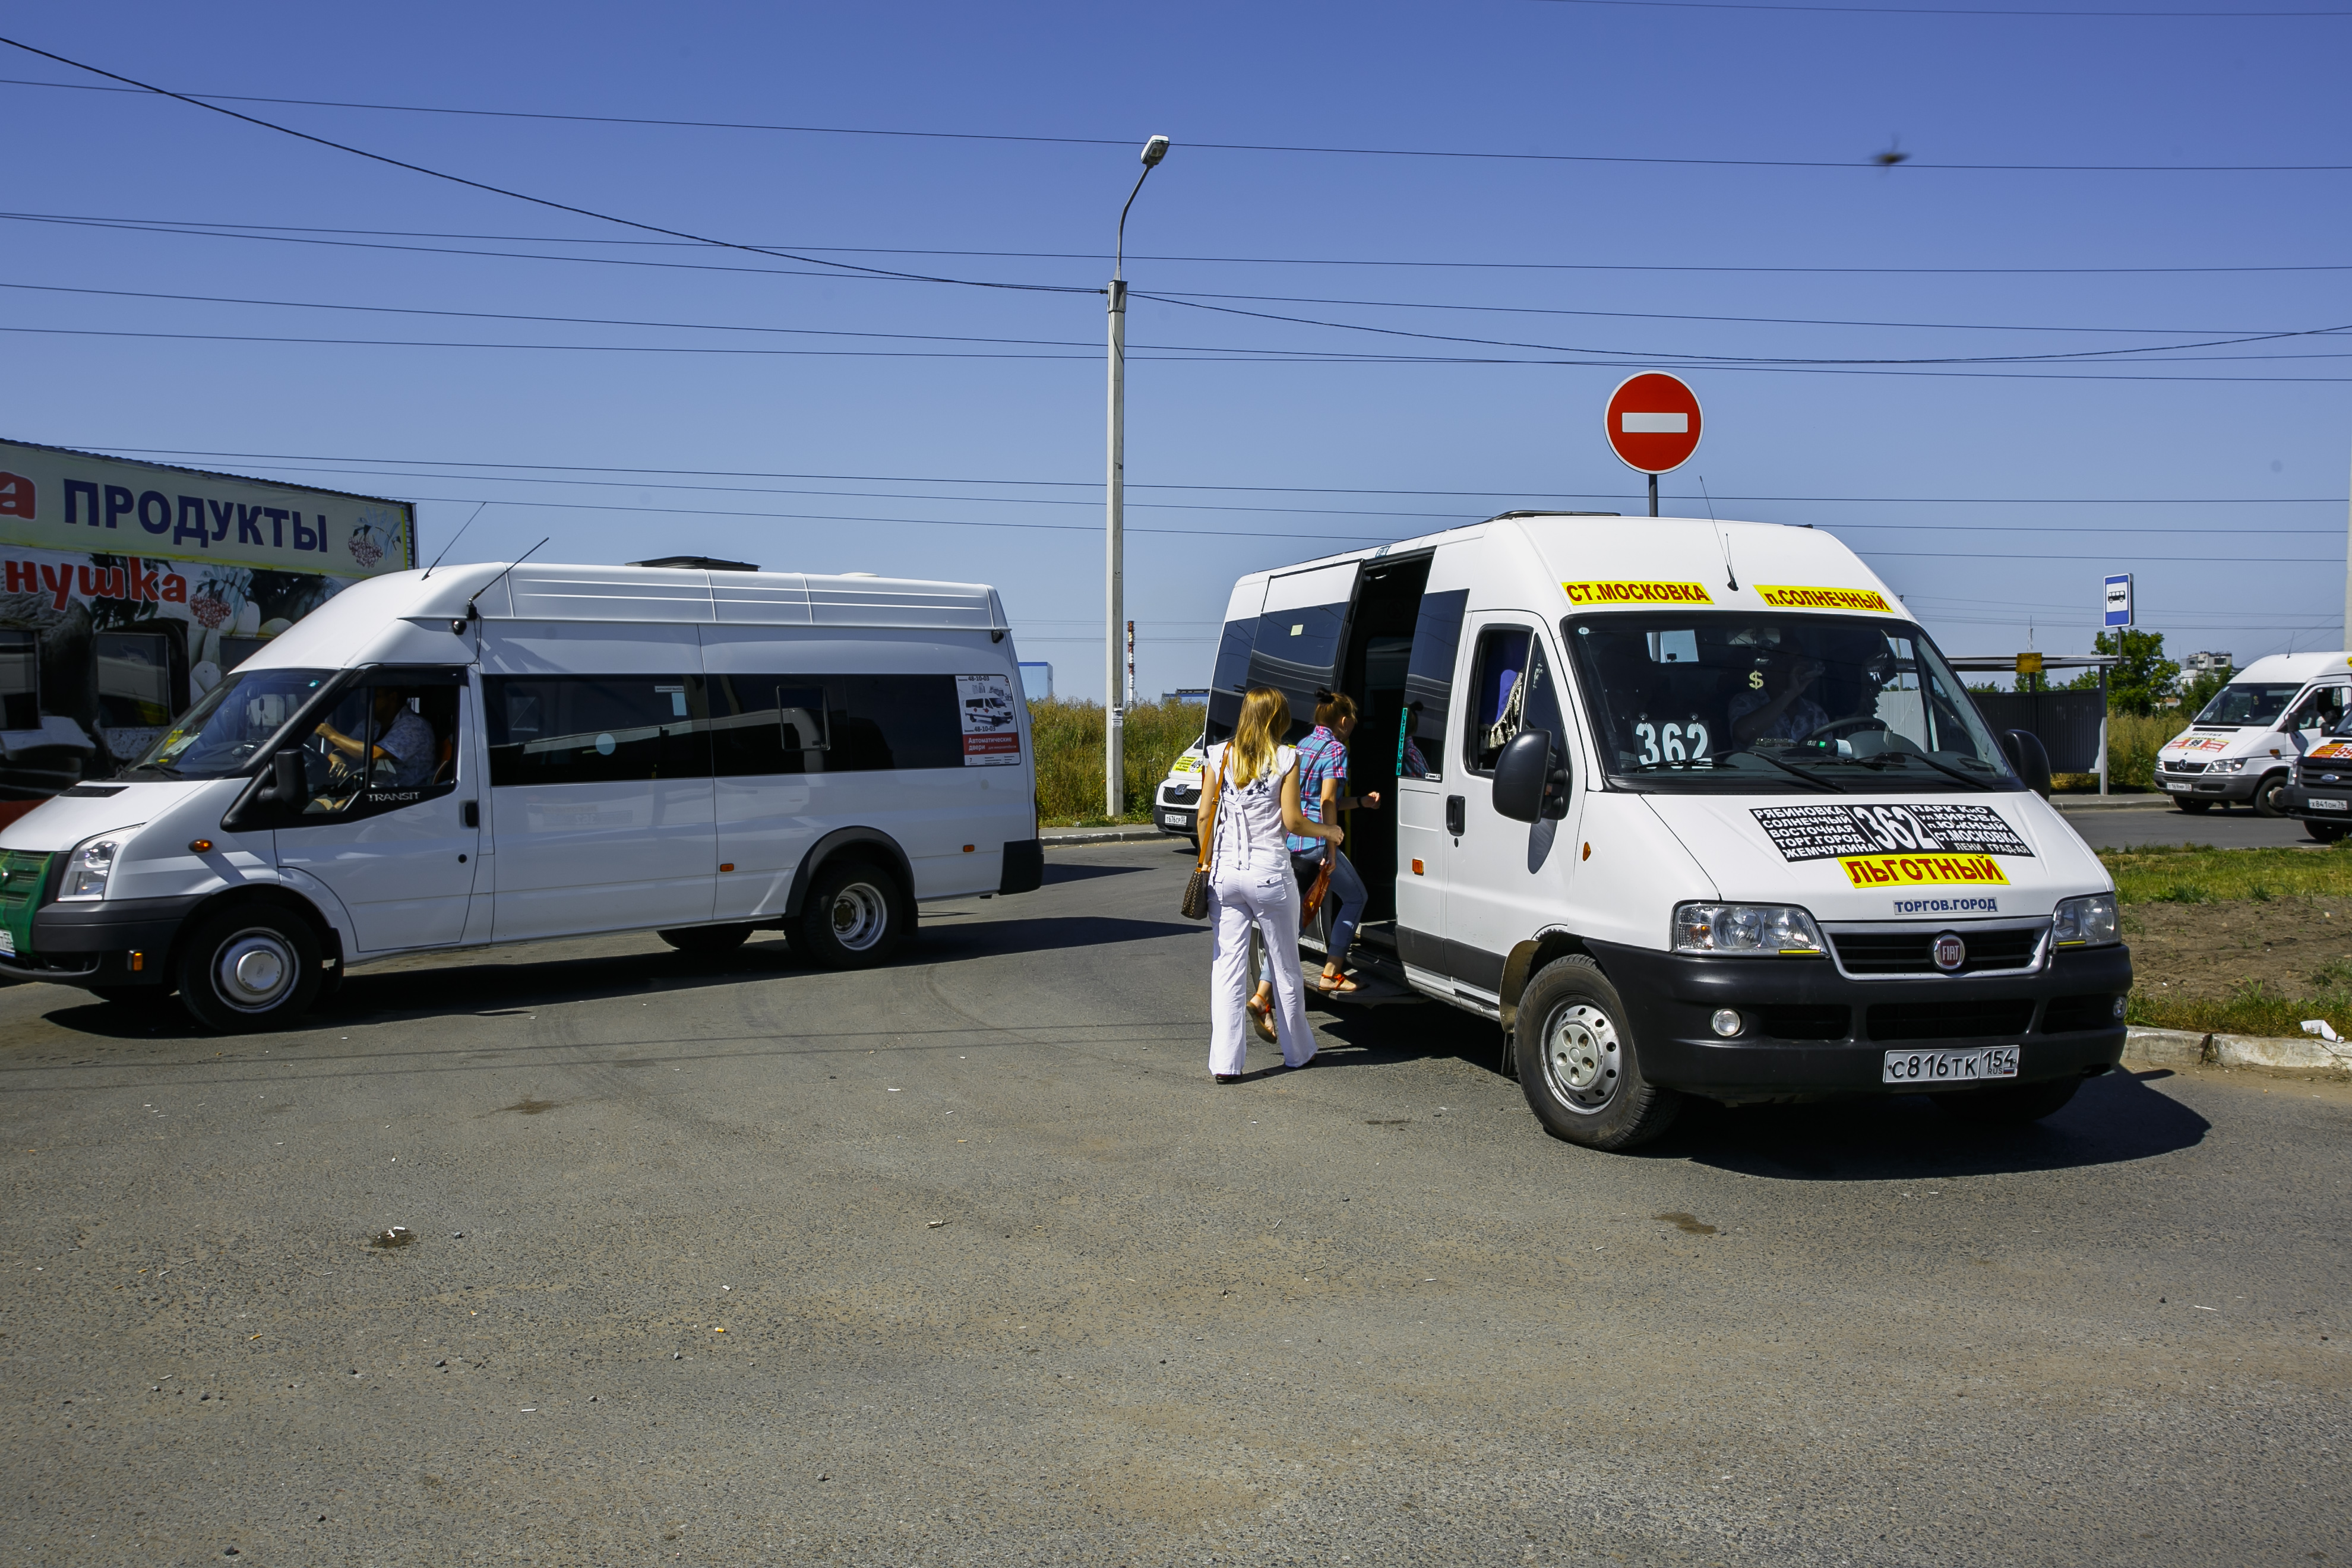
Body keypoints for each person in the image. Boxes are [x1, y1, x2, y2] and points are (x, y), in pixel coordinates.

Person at [1194, 687, 1345, 1084]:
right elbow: (1293, 821)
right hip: (1270, 874)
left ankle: (1225, 1063)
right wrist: (1329, 830)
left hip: (1225, 875)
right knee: (1285, 964)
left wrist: (1205, 863)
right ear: (1278, 718)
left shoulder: (1219, 754)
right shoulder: (1286, 757)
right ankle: (1298, 1052)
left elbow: (1204, 818)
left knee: (1226, 968)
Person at [1245, 694, 1382, 1023]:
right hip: (1316, 844)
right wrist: (1332, 847)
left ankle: (1262, 995)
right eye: (1353, 721)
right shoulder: (1336, 750)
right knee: (1356, 897)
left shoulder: (1301, 746)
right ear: (1344, 721)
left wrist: (1362, 802)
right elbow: (1326, 801)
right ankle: (1332, 970)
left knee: (1293, 922)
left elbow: (1307, 799)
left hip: (1291, 842)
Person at [317, 687, 436, 788]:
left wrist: (331, 735)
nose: (365, 702)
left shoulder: (414, 725)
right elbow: (343, 748)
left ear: (393, 697)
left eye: (375, 696)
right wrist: (339, 760)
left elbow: (374, 755)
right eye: (364, 697)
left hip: (404, 800)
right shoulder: (370, 725)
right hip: (369, 794)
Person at [1728, 643, 1830, 747]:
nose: (1792, 666)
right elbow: (1743, 735)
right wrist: (1791, 693)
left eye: (1797, 659)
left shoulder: (1816, 713)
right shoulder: (1746, 702)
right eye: (1783, 658)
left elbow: (1829, 752)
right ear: (1767, 668)